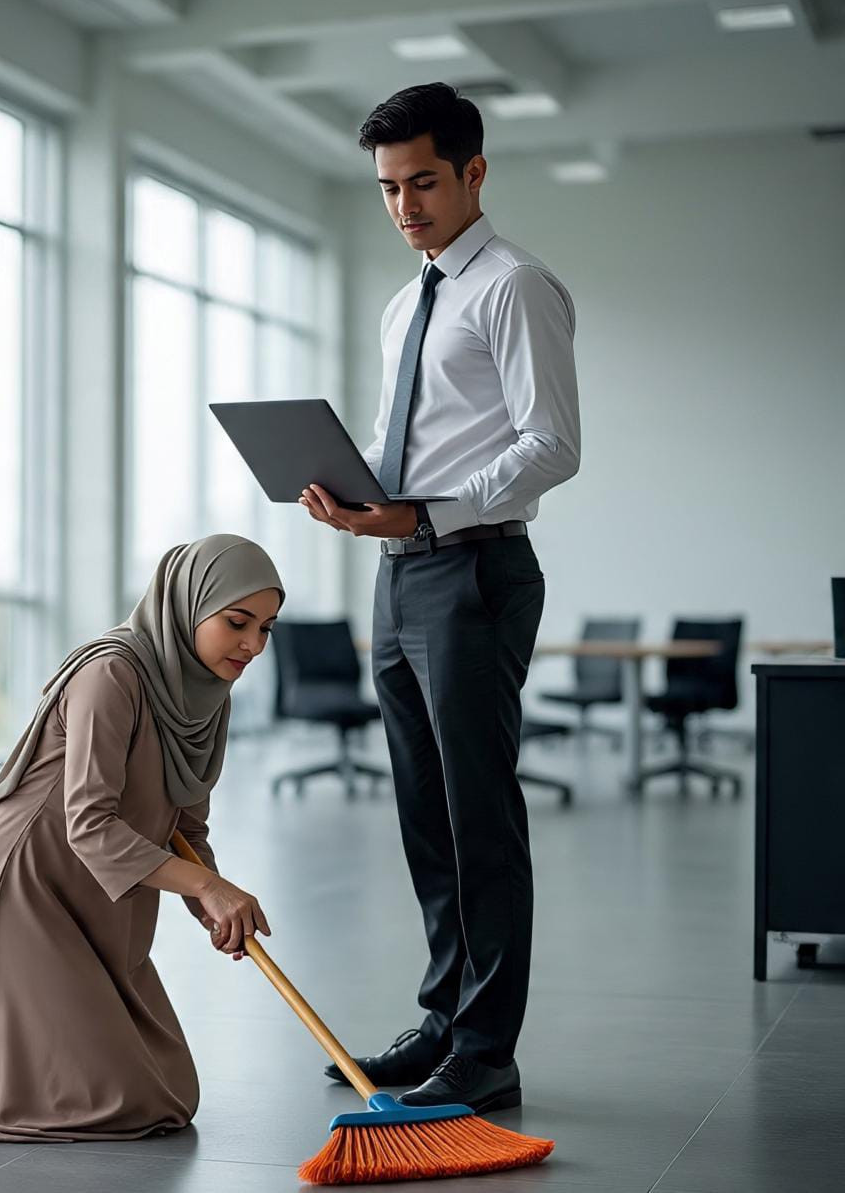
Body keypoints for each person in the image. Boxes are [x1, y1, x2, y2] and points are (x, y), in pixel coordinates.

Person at [301, 83, 580, 1112]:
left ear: (473, 172)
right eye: (386, 187)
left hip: (472, 569)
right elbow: (406, 441)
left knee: (478, 815)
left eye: (422, 181)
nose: (404, 205)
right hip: (400, 567)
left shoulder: (513, 286)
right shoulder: (403, 301)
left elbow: (551, 445)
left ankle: (488, 1050)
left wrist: (424, 518)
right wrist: (351, 483)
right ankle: (441, 1021)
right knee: (424, 812)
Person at [0, 534, 284, 1142]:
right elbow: (90, 822)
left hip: (105, 897)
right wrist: (209, 885)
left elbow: (187, 830)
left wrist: (211, 907)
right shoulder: (111, 672)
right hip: (27, 884)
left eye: (267, 629)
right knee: (112, 1100)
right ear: (186, 605)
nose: (252, 645)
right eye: (237, 622)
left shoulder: (204, 694)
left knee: (169, 1093)